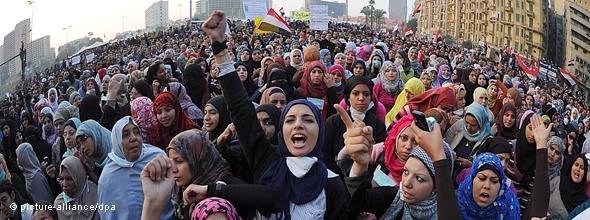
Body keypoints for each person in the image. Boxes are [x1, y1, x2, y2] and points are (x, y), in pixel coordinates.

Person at [200, 11, 349, 218]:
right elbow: (241, 109)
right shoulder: (268, 161)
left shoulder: (332, 184)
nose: (298, 125)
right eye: (290, 119)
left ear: (320, 130)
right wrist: (218, 45)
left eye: (308, 119)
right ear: (282, 130)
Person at [98, 116, 172, 219]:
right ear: (116, 141)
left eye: (137, 132)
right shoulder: (107, 178)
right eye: (125, 135)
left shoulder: (157, 158)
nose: (133, 138)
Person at [324, 76, 387, 176]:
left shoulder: (378, 125)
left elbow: (379, 162)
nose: (361, 98)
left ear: (371, 98)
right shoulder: (333, 122)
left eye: (366, 94)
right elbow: (325, 157)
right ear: (348, 97)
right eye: (355, 93)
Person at [455, 153, 520, 219]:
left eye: (494, 181)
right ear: (472, 180)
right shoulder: (454, 202)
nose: (487, 186)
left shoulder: (509, 208)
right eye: (482, 178)